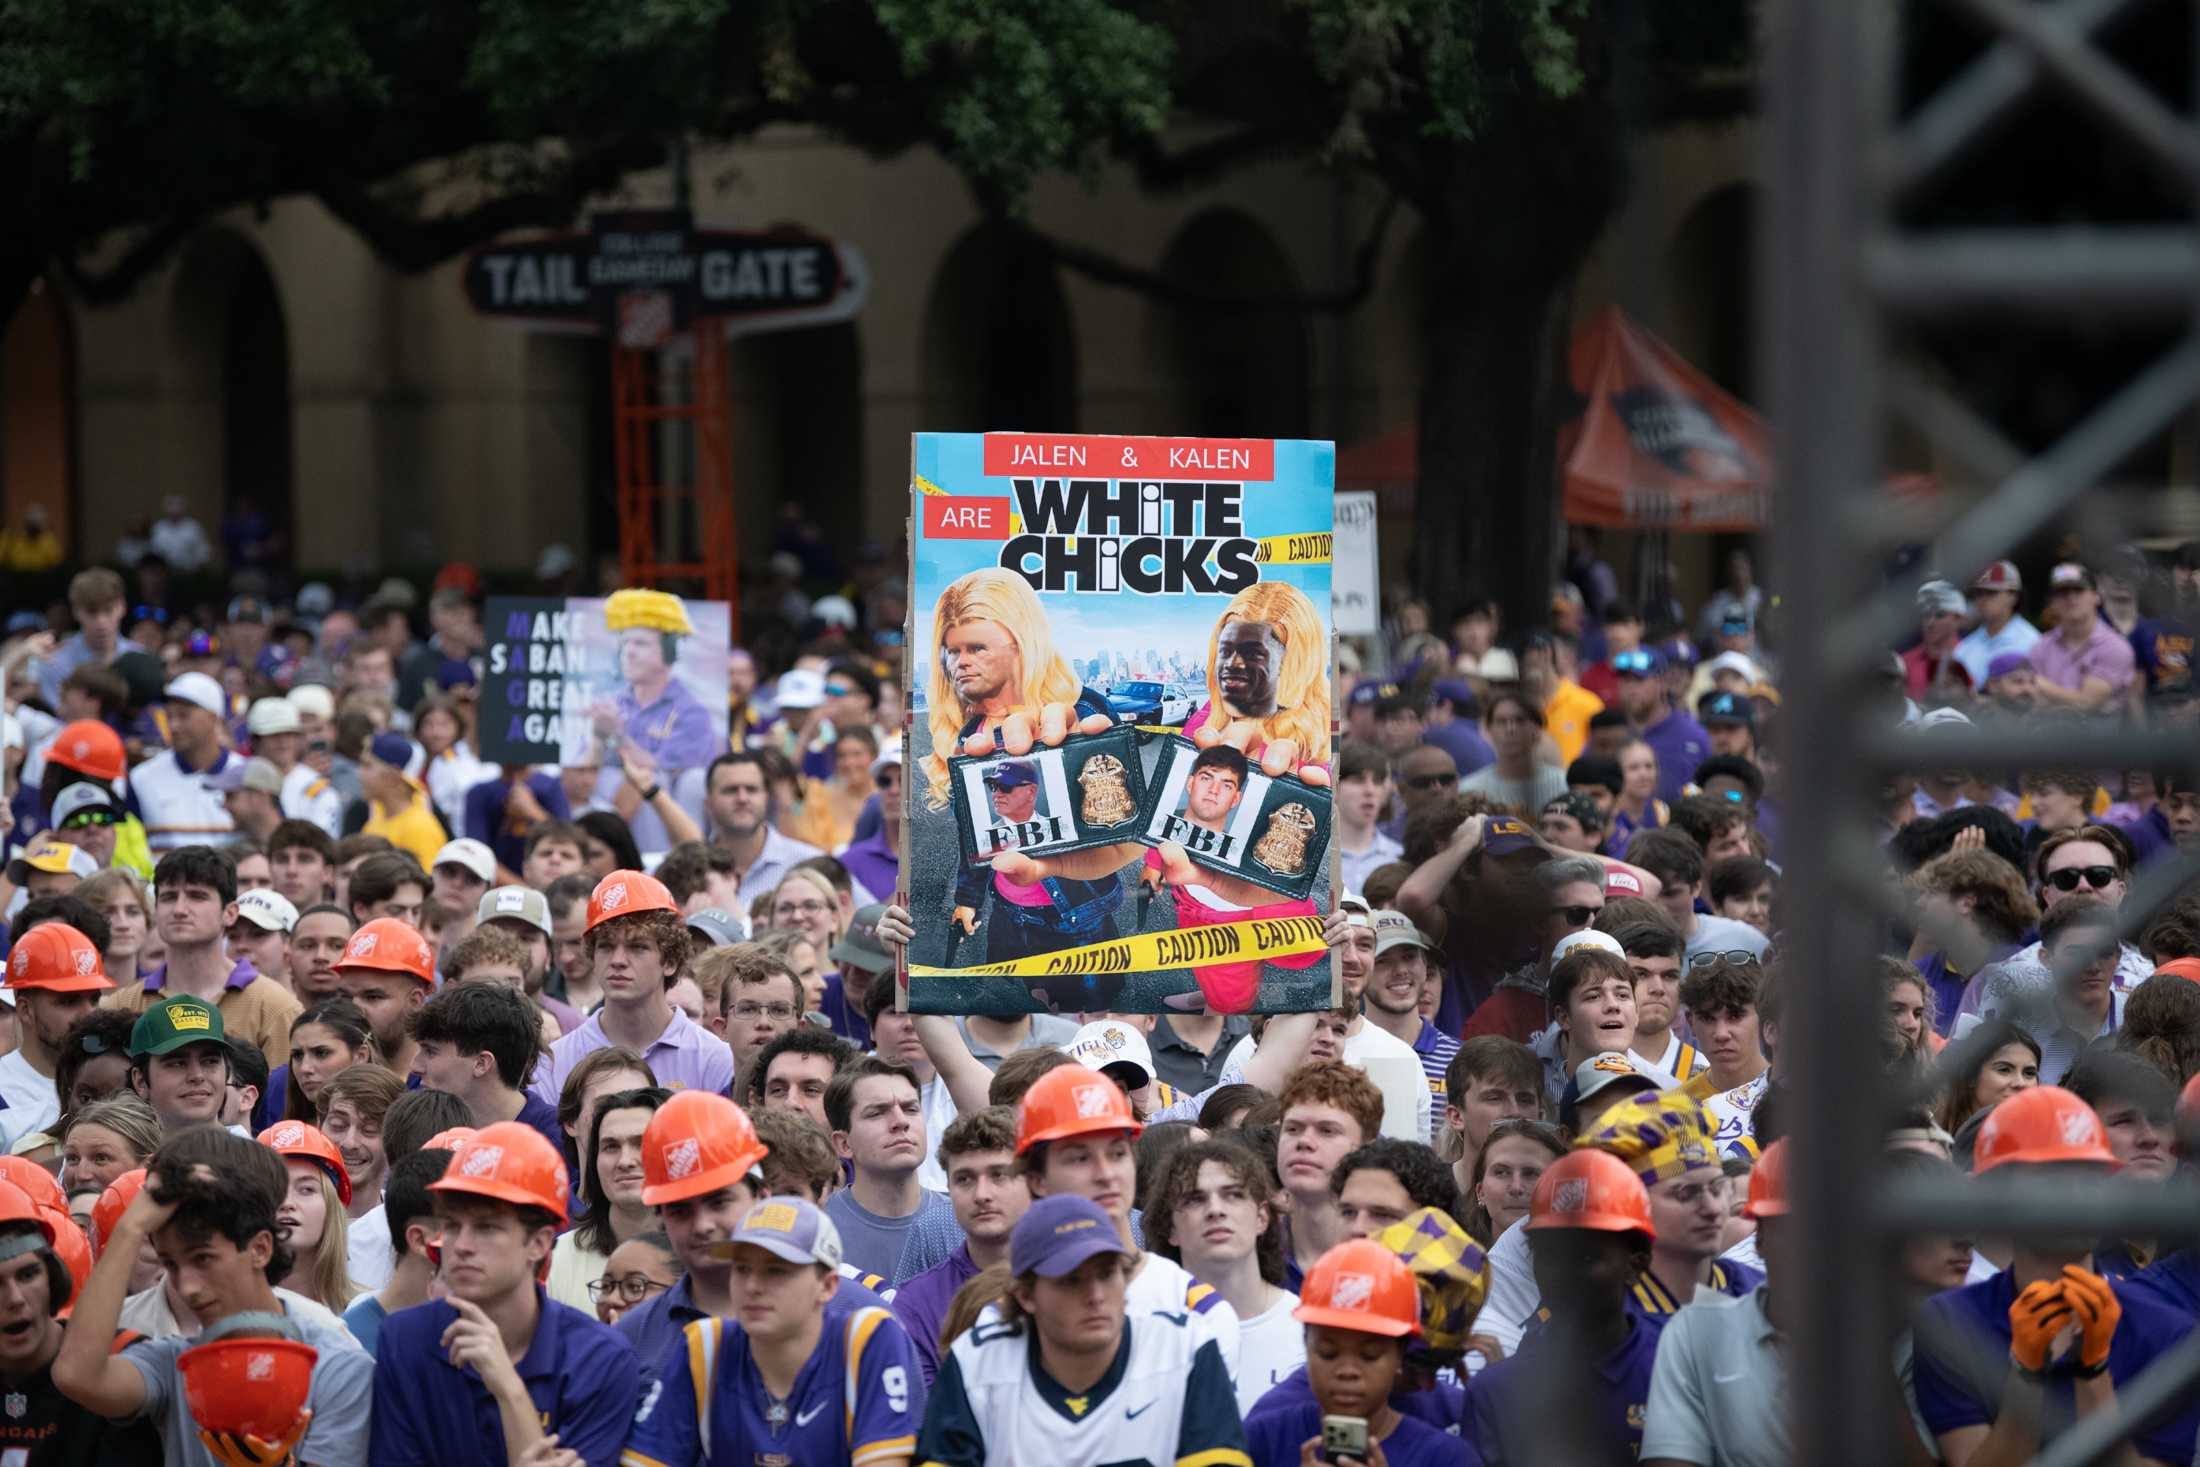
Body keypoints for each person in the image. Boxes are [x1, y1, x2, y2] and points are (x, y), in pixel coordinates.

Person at [51, 1125, 375, 1464]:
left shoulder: (335, 1364)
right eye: (170, 1263)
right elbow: (76, 1374)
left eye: (203, 1258)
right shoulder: (173, 1361)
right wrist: (130, 1229)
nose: (186, 1286)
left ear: (261, 1248)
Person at [1912, 1086, 2200, 1466]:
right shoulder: (1950, 1324)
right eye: (2055, 1178)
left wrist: (2093, 1371)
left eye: (2092, 1176)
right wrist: (2026, 1376)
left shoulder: (2167, 1329)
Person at [370, 1122, 642, 1465]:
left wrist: (508, 1388)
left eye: (486, 1227)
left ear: (540, 1243)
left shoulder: (601, 1360)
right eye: (452, 1225)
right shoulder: (404, 1339)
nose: (462, 1246)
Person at [913, 1193, 1249, 1467]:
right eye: (1071, 1280)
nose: (1096, 1296)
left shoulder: (1186, 1347)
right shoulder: (977, 1363)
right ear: (1026, 1295)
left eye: (1107, 1274)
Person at [1015, 1061, 1244, 1371]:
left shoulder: (1198, 1310)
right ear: (1036, 1179)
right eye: (1080, 1158)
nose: (1106, 1174)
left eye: (1117, 1153)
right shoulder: (993, 1326)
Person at [1470, 1148, 1662, 1464]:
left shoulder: (1682, 1367)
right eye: (1550, 1255)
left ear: (1636, 1264)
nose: (1564, 1273)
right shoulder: (1496, 1393)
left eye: (1587, 1257)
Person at [1239, 1236, 1463, 1467]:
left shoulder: (1448, 1458)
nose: (1347, 1371)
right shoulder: (1260, 1439)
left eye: (1369, 1356)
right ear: (1306, 1346)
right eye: (1328, 1353)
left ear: (1400, 1355)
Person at [1640, 1139, 1797, 1467]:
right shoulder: (1691, 1334)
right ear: (1761, 1238)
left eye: (1717, 1189)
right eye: (1685, 1193)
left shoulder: (1893, 1332)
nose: (1711, 1208)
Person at [529, 870, 731, 1108]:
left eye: (637, 947)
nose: (618, 960)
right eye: (605, 946)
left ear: (670, 961)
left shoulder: (714, 1058)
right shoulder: (553, 1063)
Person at [104, 846, 303, 1071]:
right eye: (169, 897)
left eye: (196, 896)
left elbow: (283, 1103)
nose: (179, 909)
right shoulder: (119, 1007)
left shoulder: (276, 1008)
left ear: (230, 913)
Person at [611, 1091, 771, 1370]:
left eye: (719, 1202)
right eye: (680, 1210)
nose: (702, 1226)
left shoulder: (845, 1313)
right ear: (661, 1219)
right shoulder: (630, 1342)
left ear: (763, 1198)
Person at [1148, 1138, 1301, 1416]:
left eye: (1233, 1195)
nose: (1216, 1210)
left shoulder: (1306, 1329)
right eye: (1195, 1199)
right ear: (1170, 1227)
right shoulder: (1149, 1333)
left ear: (1262, 1217)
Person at [892, 1107, 1032, 1386]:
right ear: (949, 1188)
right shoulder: (916, 1303)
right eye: (964, 1179)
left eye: (999, 1175)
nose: (982, 1195)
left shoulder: (1073, 1278)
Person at [822, 1056, 964, 1286]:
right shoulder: (818, 1226)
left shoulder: (961, 1218)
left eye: (910, 1109)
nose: (900, 1122)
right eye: (877, 1113)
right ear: (844, 1144)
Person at [1975, 895, 2124, 1085]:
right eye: (2077, 954)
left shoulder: (2141, 1026)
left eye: (2105, 952)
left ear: (2118, 956)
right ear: (2046, 958)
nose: (2093, 965)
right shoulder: (2018, 1034)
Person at [547, 1085, 667, 1311]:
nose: (625, 1161)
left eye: (641, 1144)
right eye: (611, 1147)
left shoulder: (698, 1253)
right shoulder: (557, 1259)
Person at [0, 920, 115, 1147]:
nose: (89, 1014)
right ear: (25, 1010)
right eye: (69, 1002)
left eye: (94, 999)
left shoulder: (118, 1079)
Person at [1276, 1061, 1386, 1292]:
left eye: (1327, 1131)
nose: (1304, 1141)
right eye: (1292, 1129)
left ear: (1366, 1148)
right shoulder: (1249, 1252)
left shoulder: (1391, 1260)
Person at [343, 1146, 451, 1356]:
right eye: (457, 1226)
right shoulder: (350, 1344)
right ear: (419, 1239)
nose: (473, 1242)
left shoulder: (475, 1332)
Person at [702, 751, 824, 920]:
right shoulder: (686, 870)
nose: (742, 798)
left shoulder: (810, 862)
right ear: (708, 804)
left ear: (766, 798)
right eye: (730, 790)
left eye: (751, 789)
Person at [1624, 830, 1769, 966]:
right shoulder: (1617, 948)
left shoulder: (1744, 941)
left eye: (1671, 894)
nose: (1659, 907)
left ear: (1696, 887)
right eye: (1650, 896)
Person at [258, 1119, 360, 1311]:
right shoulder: (221, 1313)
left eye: (306, 1189)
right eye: (274, 1187)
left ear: (332, 1207)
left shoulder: (364, 1313)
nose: (287, 1203)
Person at [332, 915, 436, 1081]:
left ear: (416, 1001)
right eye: (345, 996)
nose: (355, 1008)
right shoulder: (318, 1073)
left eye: (372, 997)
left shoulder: (443, 1083)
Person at [2029, 562, 2137, 716]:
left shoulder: (2115, 646)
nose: (2071, 598)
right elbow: (2033, 702)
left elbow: (2086, 703)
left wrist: (2039, 683)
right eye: (2062, 592)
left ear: (2096, 596)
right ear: (2052, 602)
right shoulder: (2041, 646)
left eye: (2078, 590)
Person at [1460, 690, 1569, 813]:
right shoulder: (1470, 790)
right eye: (1501, 722)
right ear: (1489, 730)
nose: (1510, 729)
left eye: (1520, 720)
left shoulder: (1563, 785)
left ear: (1537, 729)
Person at [1954, 561, 2040, 687]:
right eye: (1978, 593)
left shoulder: (2033, 642)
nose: (1982, 599)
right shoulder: (1964, 648)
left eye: (1991, 592)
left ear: (2013, 596)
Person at [1336, 743, 1405, 897]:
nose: (1370, 790)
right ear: (1334, 787)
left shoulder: (1399, 858)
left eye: (1378, 781)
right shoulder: (1315, 860)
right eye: (1358, 780)